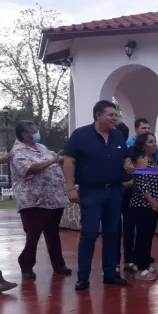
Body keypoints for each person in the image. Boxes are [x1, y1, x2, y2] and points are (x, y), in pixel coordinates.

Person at [62, 100, 133, 291]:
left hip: (115, 191)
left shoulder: (118, 136)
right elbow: (67, 161)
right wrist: (70, 188)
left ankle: (110, 273)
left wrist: (127, 161)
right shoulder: (81, 135)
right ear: (98, 116)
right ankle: (83, 276)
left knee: (112, 233)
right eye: (111, 115)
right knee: (89, 233)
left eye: (116, 115)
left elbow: (125, 155)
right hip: (91, 191)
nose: (114, 118)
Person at [9, 120, 72, 280]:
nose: (37, 133)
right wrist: (52, 160)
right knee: (33, 235)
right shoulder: (18, 151)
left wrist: (63, 159)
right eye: (34, 131)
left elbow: (57, 159)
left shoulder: (42, 148)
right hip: (33, 201)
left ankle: (58, 264)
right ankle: (26, 264)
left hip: (54, 198)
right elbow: (28, 169)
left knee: (52, 232)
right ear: (25, 135)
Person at [129, 133, 158, 281]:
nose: (154, 144)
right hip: (142, 205)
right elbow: (141, 184)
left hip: (152, 205)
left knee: (148, 236)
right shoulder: (142, 161)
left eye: (155, 141)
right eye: (151, 142)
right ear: (143, 145)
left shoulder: (152, 161)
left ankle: (145, 265)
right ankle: (141, 268)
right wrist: (151, 200)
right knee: (143, 237)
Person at [115, 122, 136, 270]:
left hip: (129, 196)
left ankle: (129, 259)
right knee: (114, 229)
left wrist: (130, 183)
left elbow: (136, 173)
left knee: (129, 228)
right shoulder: (108, 152)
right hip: (113, 194)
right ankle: (114, 261)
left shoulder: (131, 153)